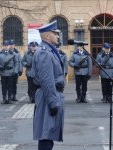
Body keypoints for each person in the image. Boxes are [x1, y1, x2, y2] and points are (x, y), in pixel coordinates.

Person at [31, 21, 65, 150]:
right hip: (48, 97)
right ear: (46, 36)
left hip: (51, 95)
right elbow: (47, 80)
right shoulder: (44, 53)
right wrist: (53, 102)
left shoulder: (49, 51)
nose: (57, 36)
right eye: (54, 33)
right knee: (46, 135)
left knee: (49, 135)